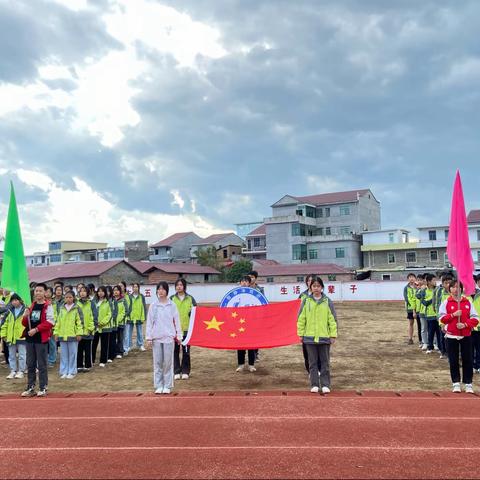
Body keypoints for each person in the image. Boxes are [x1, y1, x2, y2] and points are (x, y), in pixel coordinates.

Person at [297, 276, 337, 394]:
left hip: (324, 337)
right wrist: (300, 334)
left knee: (325, 362)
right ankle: (314, 384)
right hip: (309, 338)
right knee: (312, 362)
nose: (316, 288)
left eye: (318, 286)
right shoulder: (306, 301)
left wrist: (333, 335)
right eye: (313, 286)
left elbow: (332, 319)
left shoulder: (327, 301)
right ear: (310, 287)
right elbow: (301, 318)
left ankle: (325, 384)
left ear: (322, 287)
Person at [439, 280, 479, 393]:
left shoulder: (468, 302)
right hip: (451, 336)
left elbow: (476, 318)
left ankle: (468, 384)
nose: (456, 289)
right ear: (450, 289)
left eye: (458, 287)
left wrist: (465, 324)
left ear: (462, 289)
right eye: (454, 287)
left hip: (466, 335)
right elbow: (441, 318)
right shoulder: (446, 302)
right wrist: (453, 315)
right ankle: (455, 383)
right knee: (453, 360)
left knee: (468, 360)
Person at [146, 281, 182, 395]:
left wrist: (179, 336)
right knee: (157, 362)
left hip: (168, 338)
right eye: (159, 289)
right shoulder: (153, 305)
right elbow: (149, 323)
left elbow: (177, 321)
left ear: (167, 291)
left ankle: (167, 385)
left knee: (167, 363)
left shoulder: (172, 305)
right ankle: (158, 385)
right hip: (156, 338)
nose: (160, 291)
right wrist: (148, 337)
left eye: (163, 289)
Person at [21, 283, 55, 397]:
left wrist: (36, 329)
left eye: (40, 291)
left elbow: (50, 322)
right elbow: (24, 323)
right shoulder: (31, 306)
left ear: (45, 293)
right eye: (36, 291)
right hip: (30, 339)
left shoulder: (48, 306)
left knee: (42, 365)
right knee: (30, 364)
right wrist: (25, 316)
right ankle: (30, 388)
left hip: (41, 339)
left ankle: (43, 387)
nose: (38, 293)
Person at [171, 278, 197, 380]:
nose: (179, 287)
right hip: (175, 330)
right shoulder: (171, 298)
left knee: (186, 351)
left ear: (184, 286)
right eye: (177, 285)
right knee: (175, 351)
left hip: (187, 330)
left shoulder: (190, 299)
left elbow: (196, 314)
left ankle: (186, 371)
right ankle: (176, 371)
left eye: (181, 285)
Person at [54, 291, 83, 379]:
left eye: (70, 297)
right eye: (66, 297)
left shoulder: (77, 308)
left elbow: (79, 322)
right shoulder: (62, 308)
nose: (68, 299)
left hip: (73, 335)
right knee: (64, 354)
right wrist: (56, 333)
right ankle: (64, 371)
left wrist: (79, 333)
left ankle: (72, 371)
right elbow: (58, 322)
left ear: (73, 298)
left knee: (73, 354)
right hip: (62, 335)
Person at [0, 294, 26, 379]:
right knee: (11, 355)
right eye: (13, 300)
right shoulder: (9, 311)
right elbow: (4, 324)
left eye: (16, 300)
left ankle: (21, 371)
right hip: (10, 337)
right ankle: (13, 370)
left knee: (22, 355)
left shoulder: (25, 310)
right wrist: (3, 334)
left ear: (20, 300)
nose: (14, 302)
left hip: (22, 337)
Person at [236, 276, 256, 373]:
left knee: (251, 345)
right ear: (240, 283)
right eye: (242, 281)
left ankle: (251, 365)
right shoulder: (235, 295)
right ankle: (241, 364)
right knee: (240, 345)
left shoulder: (253, 294)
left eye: (246, 281)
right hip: (239, 323)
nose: (244, 283)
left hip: (251, 323)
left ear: (249, 283)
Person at [77, 286, 97, 372]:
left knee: (88, 349)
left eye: (84, 291)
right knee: (79, 349)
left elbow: (94, 317)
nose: (82, 293)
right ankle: (79, 365)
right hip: (79, 331)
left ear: (87, 293)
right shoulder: (76, 303)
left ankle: (88, 365)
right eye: (80, 291)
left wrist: (90, 329)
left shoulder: (91, 303)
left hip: (88, 330)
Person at [124, 283, 147, 354]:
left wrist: (144, 316)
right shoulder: (129, 296)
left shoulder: (141, 296)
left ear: (139, 288)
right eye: (134, 287)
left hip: (139, 317)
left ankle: (140, 345)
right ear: (132, 288)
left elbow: (143, 307)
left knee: (140, 332)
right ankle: (128, 346)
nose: (135, 288)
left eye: (136, 287)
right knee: (128, 332)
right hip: (130, 317)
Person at [94, 286, 112, 367]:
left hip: (105, 327)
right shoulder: (94, 302)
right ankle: (92, 360)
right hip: (95, 327)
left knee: (104, 344)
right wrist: (95, 322)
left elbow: (109, 314)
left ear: (105, 293)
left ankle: (103, 361)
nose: (100, 293)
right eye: (99, 291)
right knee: (93, 344)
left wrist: (102, 322)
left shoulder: (108, 302)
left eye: (102, 291)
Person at [299, 274, 314, 373]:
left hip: (317, 326)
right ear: (307, 283)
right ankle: (309, 370)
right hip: (305, 327)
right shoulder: (302, 295)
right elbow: (296, 310)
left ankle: (318, 369)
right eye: (309, 281)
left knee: (317, 350)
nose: (311, 283)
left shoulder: (322, 297)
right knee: (306, 351)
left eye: (313, 281)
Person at [49, 284, 64, 367]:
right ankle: (52, 359)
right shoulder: (52, 301)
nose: (59, 291)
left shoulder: (65, 300)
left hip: (62, 323)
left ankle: (61, 359)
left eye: (60, 290)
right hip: (53, 324)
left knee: (62, 342)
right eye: (57, 290)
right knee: (52, 343)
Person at [112, 285, 127, 359]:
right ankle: (114, 351)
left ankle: (120, 352)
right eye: (114, 290)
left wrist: (118, 320)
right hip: (113, 324)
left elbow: (124, 312)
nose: (115, 292)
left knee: (120, 338)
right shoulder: (111, 300)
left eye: (117, 290)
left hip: (120, 323)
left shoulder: (123, 300)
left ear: (120, 292)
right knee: (113, 338)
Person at [403, 273, 417, 345]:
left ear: (415, 278)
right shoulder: (406, 288)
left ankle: (422, 339)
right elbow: (406, 298)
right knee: (411, 323)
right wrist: (412, 307)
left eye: (413, 277)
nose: (411, 278)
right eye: (410, 277)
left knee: (421, 324)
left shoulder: (418, 286)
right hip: (410, 308)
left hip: (419, 308)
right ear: (408, 279)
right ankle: (410, 338)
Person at [415, 274, 428, 350]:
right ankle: (424, 342)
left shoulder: (433, 289)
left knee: (431, 329)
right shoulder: (420, 289)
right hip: (422, 312)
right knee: (423, 328)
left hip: (430, 312)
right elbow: (418, 296)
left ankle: (433, 343)